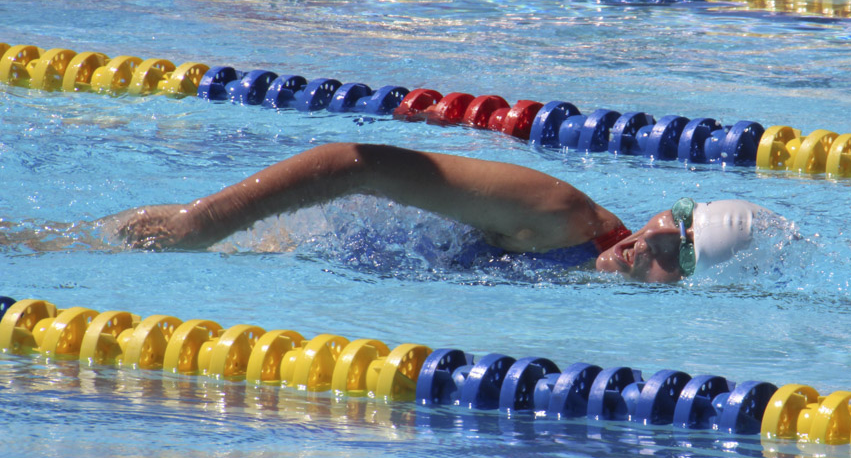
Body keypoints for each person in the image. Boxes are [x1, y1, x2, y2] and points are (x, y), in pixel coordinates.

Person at [115, 142, 772, 283]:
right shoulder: (560, 218)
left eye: (684, 247)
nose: (656, 231)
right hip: (263, 246)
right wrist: (200, 224)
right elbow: (358, 163)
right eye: (679, 213)